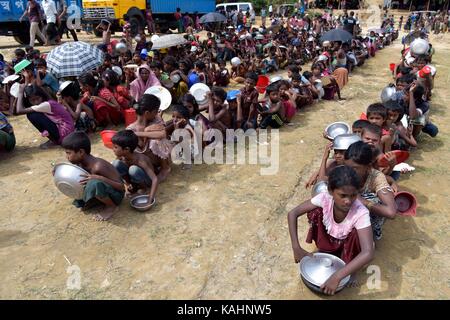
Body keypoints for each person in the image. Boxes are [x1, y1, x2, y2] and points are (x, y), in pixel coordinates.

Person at [288, 165, 374, 295]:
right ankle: (326, 249)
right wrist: (296, 247)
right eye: (343, 195)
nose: (348, 201)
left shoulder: (360, 212)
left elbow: (368, 252)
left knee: (358, 234)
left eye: (353, 195)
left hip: (349, 243)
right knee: (316, 212)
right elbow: (292, 213)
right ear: (330, 191)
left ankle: (352, 269)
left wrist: (337, 276)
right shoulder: (324, 199)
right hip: (331, 238)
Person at [59, 131, 124, 221]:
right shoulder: (80, 163)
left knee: (94, 183)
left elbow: (121, 187)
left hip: (117, 195)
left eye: (68, 153)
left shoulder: (98, 166)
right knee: (78, 179)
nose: (67, 157)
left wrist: (101, 178)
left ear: (81, 152)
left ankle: (111, 207)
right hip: (105, 190)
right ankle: (96, 201)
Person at [344, 141, 397, 241]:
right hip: (347, 214)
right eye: (347, 167)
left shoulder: (376, 177)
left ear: (368, 167)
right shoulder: (343, 172)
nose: (349, 172)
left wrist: (361, 200)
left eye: (355, 168)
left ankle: (369, 236)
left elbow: (391, 212)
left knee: (375, 200)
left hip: (367, 219)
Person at [127, 94, 172, 182]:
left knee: (157, 141)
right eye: (155, 111)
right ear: (147, 113)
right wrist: (145, 133)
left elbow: (162, 134)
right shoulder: (130, 129)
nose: (157, 113)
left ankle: (165, 168)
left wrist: (145, 132)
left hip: (157, 157)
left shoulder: (156, 119)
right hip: (145, 161)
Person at [16, 84, 75, 149]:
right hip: (68, 132)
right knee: (34, 113)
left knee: (32, 115)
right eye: (32, 100)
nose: (36, 102)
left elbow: (19, 111)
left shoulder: (45, 105)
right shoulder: (48, 101)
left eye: (38, 98)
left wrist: (20, 92)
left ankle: (54, 141)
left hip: (65, 134)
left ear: (42, 96)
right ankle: (54, 139)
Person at [112, 130, 158, 201]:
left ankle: (143, 188)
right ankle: (131, 185)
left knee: (133, 169)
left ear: (126, 149)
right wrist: (126, 183)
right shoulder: (121, 156)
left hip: (146, 180)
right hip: (135, 178)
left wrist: (150, 198)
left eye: (115, 147)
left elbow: (155, 179)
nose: (113, 149)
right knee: (115, 164)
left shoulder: (140, 160)